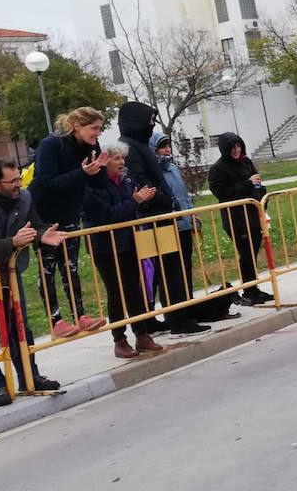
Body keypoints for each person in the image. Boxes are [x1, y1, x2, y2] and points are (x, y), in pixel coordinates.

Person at [117, 102, 209, 335]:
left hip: (161, 215)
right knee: (166, 270)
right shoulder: (130, 147)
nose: (152, 125)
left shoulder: (138, 145)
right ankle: (176, 318)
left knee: (171, 268)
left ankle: (176, 315)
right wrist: (166, 201)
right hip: (152, 218)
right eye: (149, 121)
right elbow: (140, 182)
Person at [27, 107, 110, 338]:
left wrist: (100, 169)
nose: (98, 133)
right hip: (44, 215)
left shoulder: (91, 145)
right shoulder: (52, 144)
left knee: (71, 265)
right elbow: (46, 182)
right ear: (77, 126)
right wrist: (83, 173)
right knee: (49, 268)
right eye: (94, 128)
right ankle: (56, 321)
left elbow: (99, 184)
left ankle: (80, 315)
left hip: (70, 213)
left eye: (99, 128)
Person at [0, 158, 67, 405]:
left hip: (10, 274)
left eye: (19, 179)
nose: (18, 184)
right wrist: (12, 243)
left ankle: (30, 376)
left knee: (19, 325)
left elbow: (34, 227)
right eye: (12, 181)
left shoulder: (24, 198)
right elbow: (13, 239)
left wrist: (42, 235)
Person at [84, 146, 163, 359]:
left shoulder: (127, 181)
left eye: (122, 158)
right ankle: (119, 340)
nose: (122, 163)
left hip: (128, 242)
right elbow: (109, 214)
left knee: (134, 289)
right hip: (105, 246)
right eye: (116, 158)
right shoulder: (95, 185)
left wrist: (145, 199)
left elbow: (133, 207)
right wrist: (135, 201)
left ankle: (142, 334)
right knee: (115, 292)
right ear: (105, 161)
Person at [152, 133, 232, 325]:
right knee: (171, 274)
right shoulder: (155, 171)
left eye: (167, 145)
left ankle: (187, 310)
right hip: (169, 227)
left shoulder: (172, 168)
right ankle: (174, 315)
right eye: (162, 146)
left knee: (185, 269)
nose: (167, 149)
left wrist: (192, 215)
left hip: (185, 226)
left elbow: (184, 197)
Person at [206, 133, 275, 305]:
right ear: (225, 149)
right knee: (246, 253)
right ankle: (249, 290)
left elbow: (258, 185)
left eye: (238, 147)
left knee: (253, 252)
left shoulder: (246, 162)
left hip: (253, 215)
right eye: (233, 148)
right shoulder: (218, 169)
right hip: (236, 219)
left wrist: (260, 202)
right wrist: (247, 184)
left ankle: (254, 288)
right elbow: (222, 193)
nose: (236, 151)